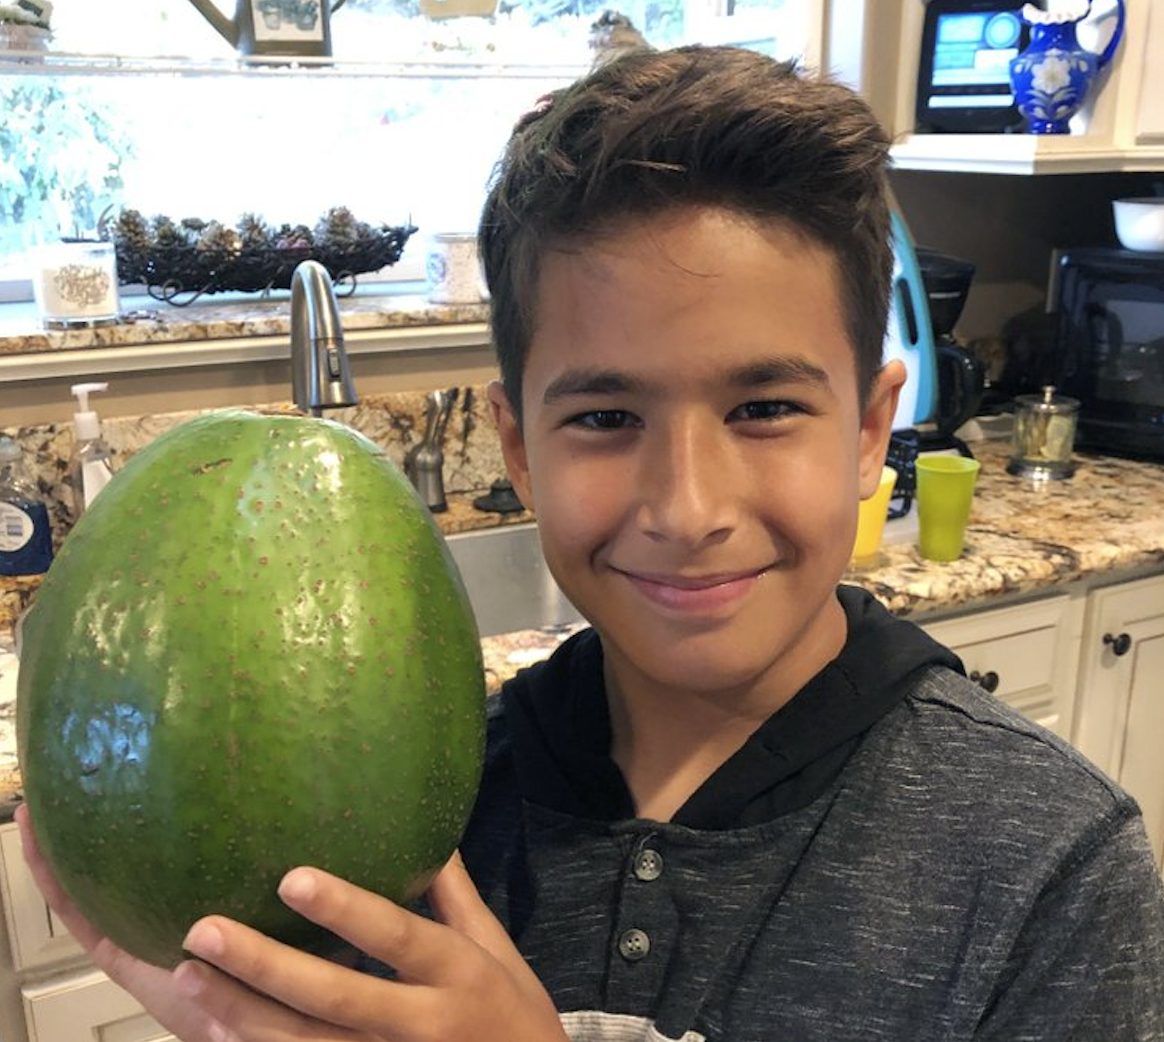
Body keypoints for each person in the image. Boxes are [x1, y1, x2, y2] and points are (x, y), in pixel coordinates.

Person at [17, 43, 1164, 1042]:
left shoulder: (1047, 868)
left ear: (871, 431)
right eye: (606, 418)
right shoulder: (408, 814)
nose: (687, 505)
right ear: (519, 449)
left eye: (764, 408)